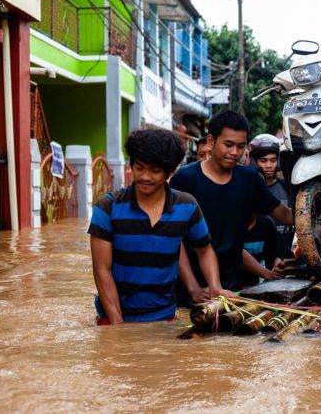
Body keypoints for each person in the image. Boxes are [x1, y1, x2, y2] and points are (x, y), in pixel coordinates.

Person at [88, 128, 230, 325]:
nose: (145, 176)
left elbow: (204, 250)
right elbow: (101, 270)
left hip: (165, 320)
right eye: (139, 167)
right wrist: (117, 328)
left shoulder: (187, 206)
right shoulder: (107, 207)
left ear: (170, 172)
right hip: (113, 318)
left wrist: (212, 287)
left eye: (154, 170)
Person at [169, 111, 294, 299]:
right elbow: (174, 240)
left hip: (232, 287)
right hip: (190, 290)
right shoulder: (185, 179)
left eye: (240, 146)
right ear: (211, 141)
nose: (234, 152)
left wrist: (314, 209)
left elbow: (284, 215)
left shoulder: (250, 179)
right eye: (228, 145)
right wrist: (193, 287)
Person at [248, 133, 295, 260]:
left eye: (273, 160)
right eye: (263, 161)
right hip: (258, 257)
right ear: (254, 162)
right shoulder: (249, 190)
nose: (269, 165)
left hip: (287, 257)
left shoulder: (287, 187)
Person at [239, 214, 282, 288]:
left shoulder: (266, 223)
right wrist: (268, 274)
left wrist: (277, 266)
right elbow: (238, 252)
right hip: (228, 284)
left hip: (253, 284)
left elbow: (276, 252)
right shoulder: (229, 224)